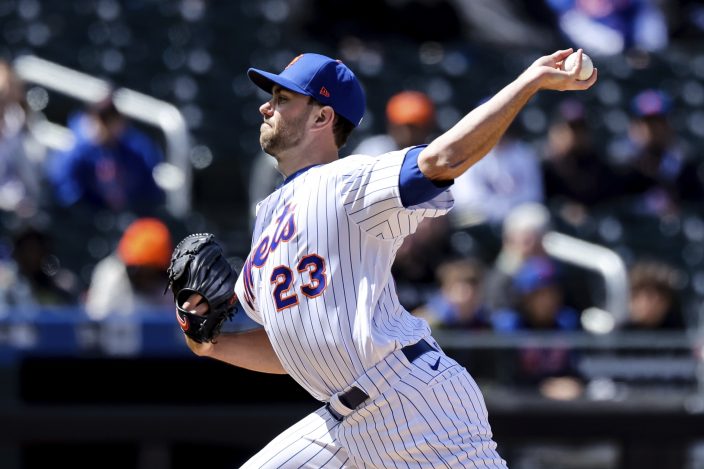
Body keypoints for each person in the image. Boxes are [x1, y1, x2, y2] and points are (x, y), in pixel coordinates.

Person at [180, 50, 596, 467]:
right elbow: (293, 349)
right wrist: (212, 345)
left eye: (283, 98)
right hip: (341, 421)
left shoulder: (348, 180)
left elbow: (443, 159)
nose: (265, 105)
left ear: (322, 118)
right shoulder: (267, 219)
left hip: (414, 402)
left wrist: (528, 82)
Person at [46, 94, 165, 214]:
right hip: (88, 214)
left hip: (128, 214)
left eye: (111, 120)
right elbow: (65, 188)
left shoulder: (136, 149)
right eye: (102, 120)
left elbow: (149, 190)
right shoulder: (76, 150)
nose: (106, 128)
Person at [85, 217, 174, 320]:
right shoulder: (111, 274)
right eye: (142, 270)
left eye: (152, 272)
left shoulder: (169, 282)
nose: (146, 277)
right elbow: (97, 320)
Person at [351, 89, 436, 156]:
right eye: (401, 127)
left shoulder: (435, 152)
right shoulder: (372, 151)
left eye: (414, 128)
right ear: (391, 126)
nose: (408, 134)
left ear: (427, 129)